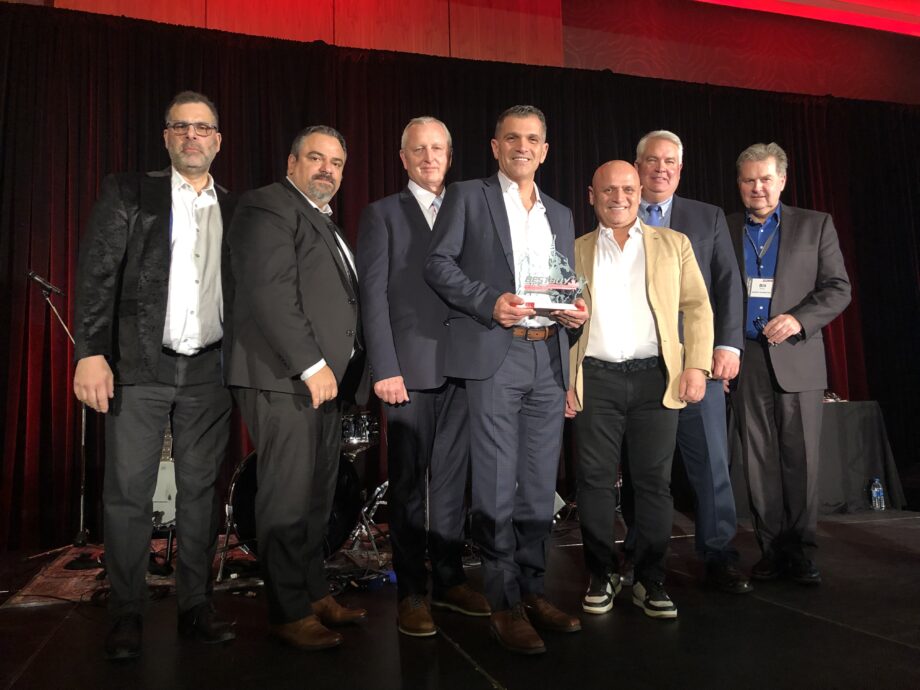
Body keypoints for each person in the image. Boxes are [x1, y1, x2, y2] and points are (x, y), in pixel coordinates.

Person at [73, 91, 236, 660]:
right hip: (140, 365)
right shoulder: (129, 192)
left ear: (217, 141)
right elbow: (97, 272)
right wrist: (89, 351)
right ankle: (126, 612)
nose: (192, 136)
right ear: (166, 137)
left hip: (211, 370)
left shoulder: (236, 208)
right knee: (128, 493)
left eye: (203, 128)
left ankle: (196, 605)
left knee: (201, 493)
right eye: (181, 126)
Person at [425, 105, 588, 655]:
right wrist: (488, 301)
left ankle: (534, 590)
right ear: (495, 147)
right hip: (497, 353)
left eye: (533, 139)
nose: (523, 146)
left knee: (540, 486)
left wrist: (573, 307)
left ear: (545, 151)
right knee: (496, 484)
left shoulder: (560, 212)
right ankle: (503, 603)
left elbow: (562, 279)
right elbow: (438, 265)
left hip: (549, 355)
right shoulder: (468, 196)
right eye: (512, 138)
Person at [226, 125, 369, 650]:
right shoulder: (268, 205)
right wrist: (311, 365)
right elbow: (270, 292)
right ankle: (287, 611)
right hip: (285, 376)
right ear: (291, 164)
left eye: (336, 162)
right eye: (315, 158)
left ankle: (312, 593)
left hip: (322, 385)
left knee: (315, 495)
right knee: (287, 497)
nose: (327, 169)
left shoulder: (323, 220)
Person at [356, 117, 490, 637]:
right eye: (419, 150)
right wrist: (385, 367)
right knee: (410, 483)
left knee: (453, 481)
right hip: (409, 371)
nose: (429, 158)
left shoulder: (472, 209)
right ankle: (411, 590)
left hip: (465, 366)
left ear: (449, 157)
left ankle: (450, 579)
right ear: (403, 158)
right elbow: (373, 296)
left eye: (437, 149)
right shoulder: (382, 214)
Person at [566, 161, 713, 620]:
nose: (619, 198)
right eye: (608, 190)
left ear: (640, 193)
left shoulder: (674, 244)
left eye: (628, 189)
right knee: (593, 483)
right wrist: (565, 380)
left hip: (656, 379)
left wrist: (697, 366)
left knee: (653, 484)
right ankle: (601, 573)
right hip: (595, 379)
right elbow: (557, 320)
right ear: (591, 195)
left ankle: (650, 578)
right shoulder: (573, 249)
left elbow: (698, 307)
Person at [630, 130, 751, 594]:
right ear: (638, 166)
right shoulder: (617, 213)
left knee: (711, 466)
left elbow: (727, 284)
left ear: (679, 170)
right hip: (636, 366)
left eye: (669, 162)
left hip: (696, 365)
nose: (660, 169)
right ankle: (642, 556)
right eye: (652, 160)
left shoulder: (707, 216)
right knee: (644, 469)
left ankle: (719, 555)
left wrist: (727, 346)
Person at [727, 142, 850, 585]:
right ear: (739, 183)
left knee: (801, 460)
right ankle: (771, 549)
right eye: (748, 180)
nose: (757, 187)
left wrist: (799, 319)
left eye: (765, 178)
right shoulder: (724, 228)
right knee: (757, 461)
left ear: (781, 180)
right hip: (745, 359)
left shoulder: (816, 225)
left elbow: (838, 288)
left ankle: (799, 551)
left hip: (798, 357)